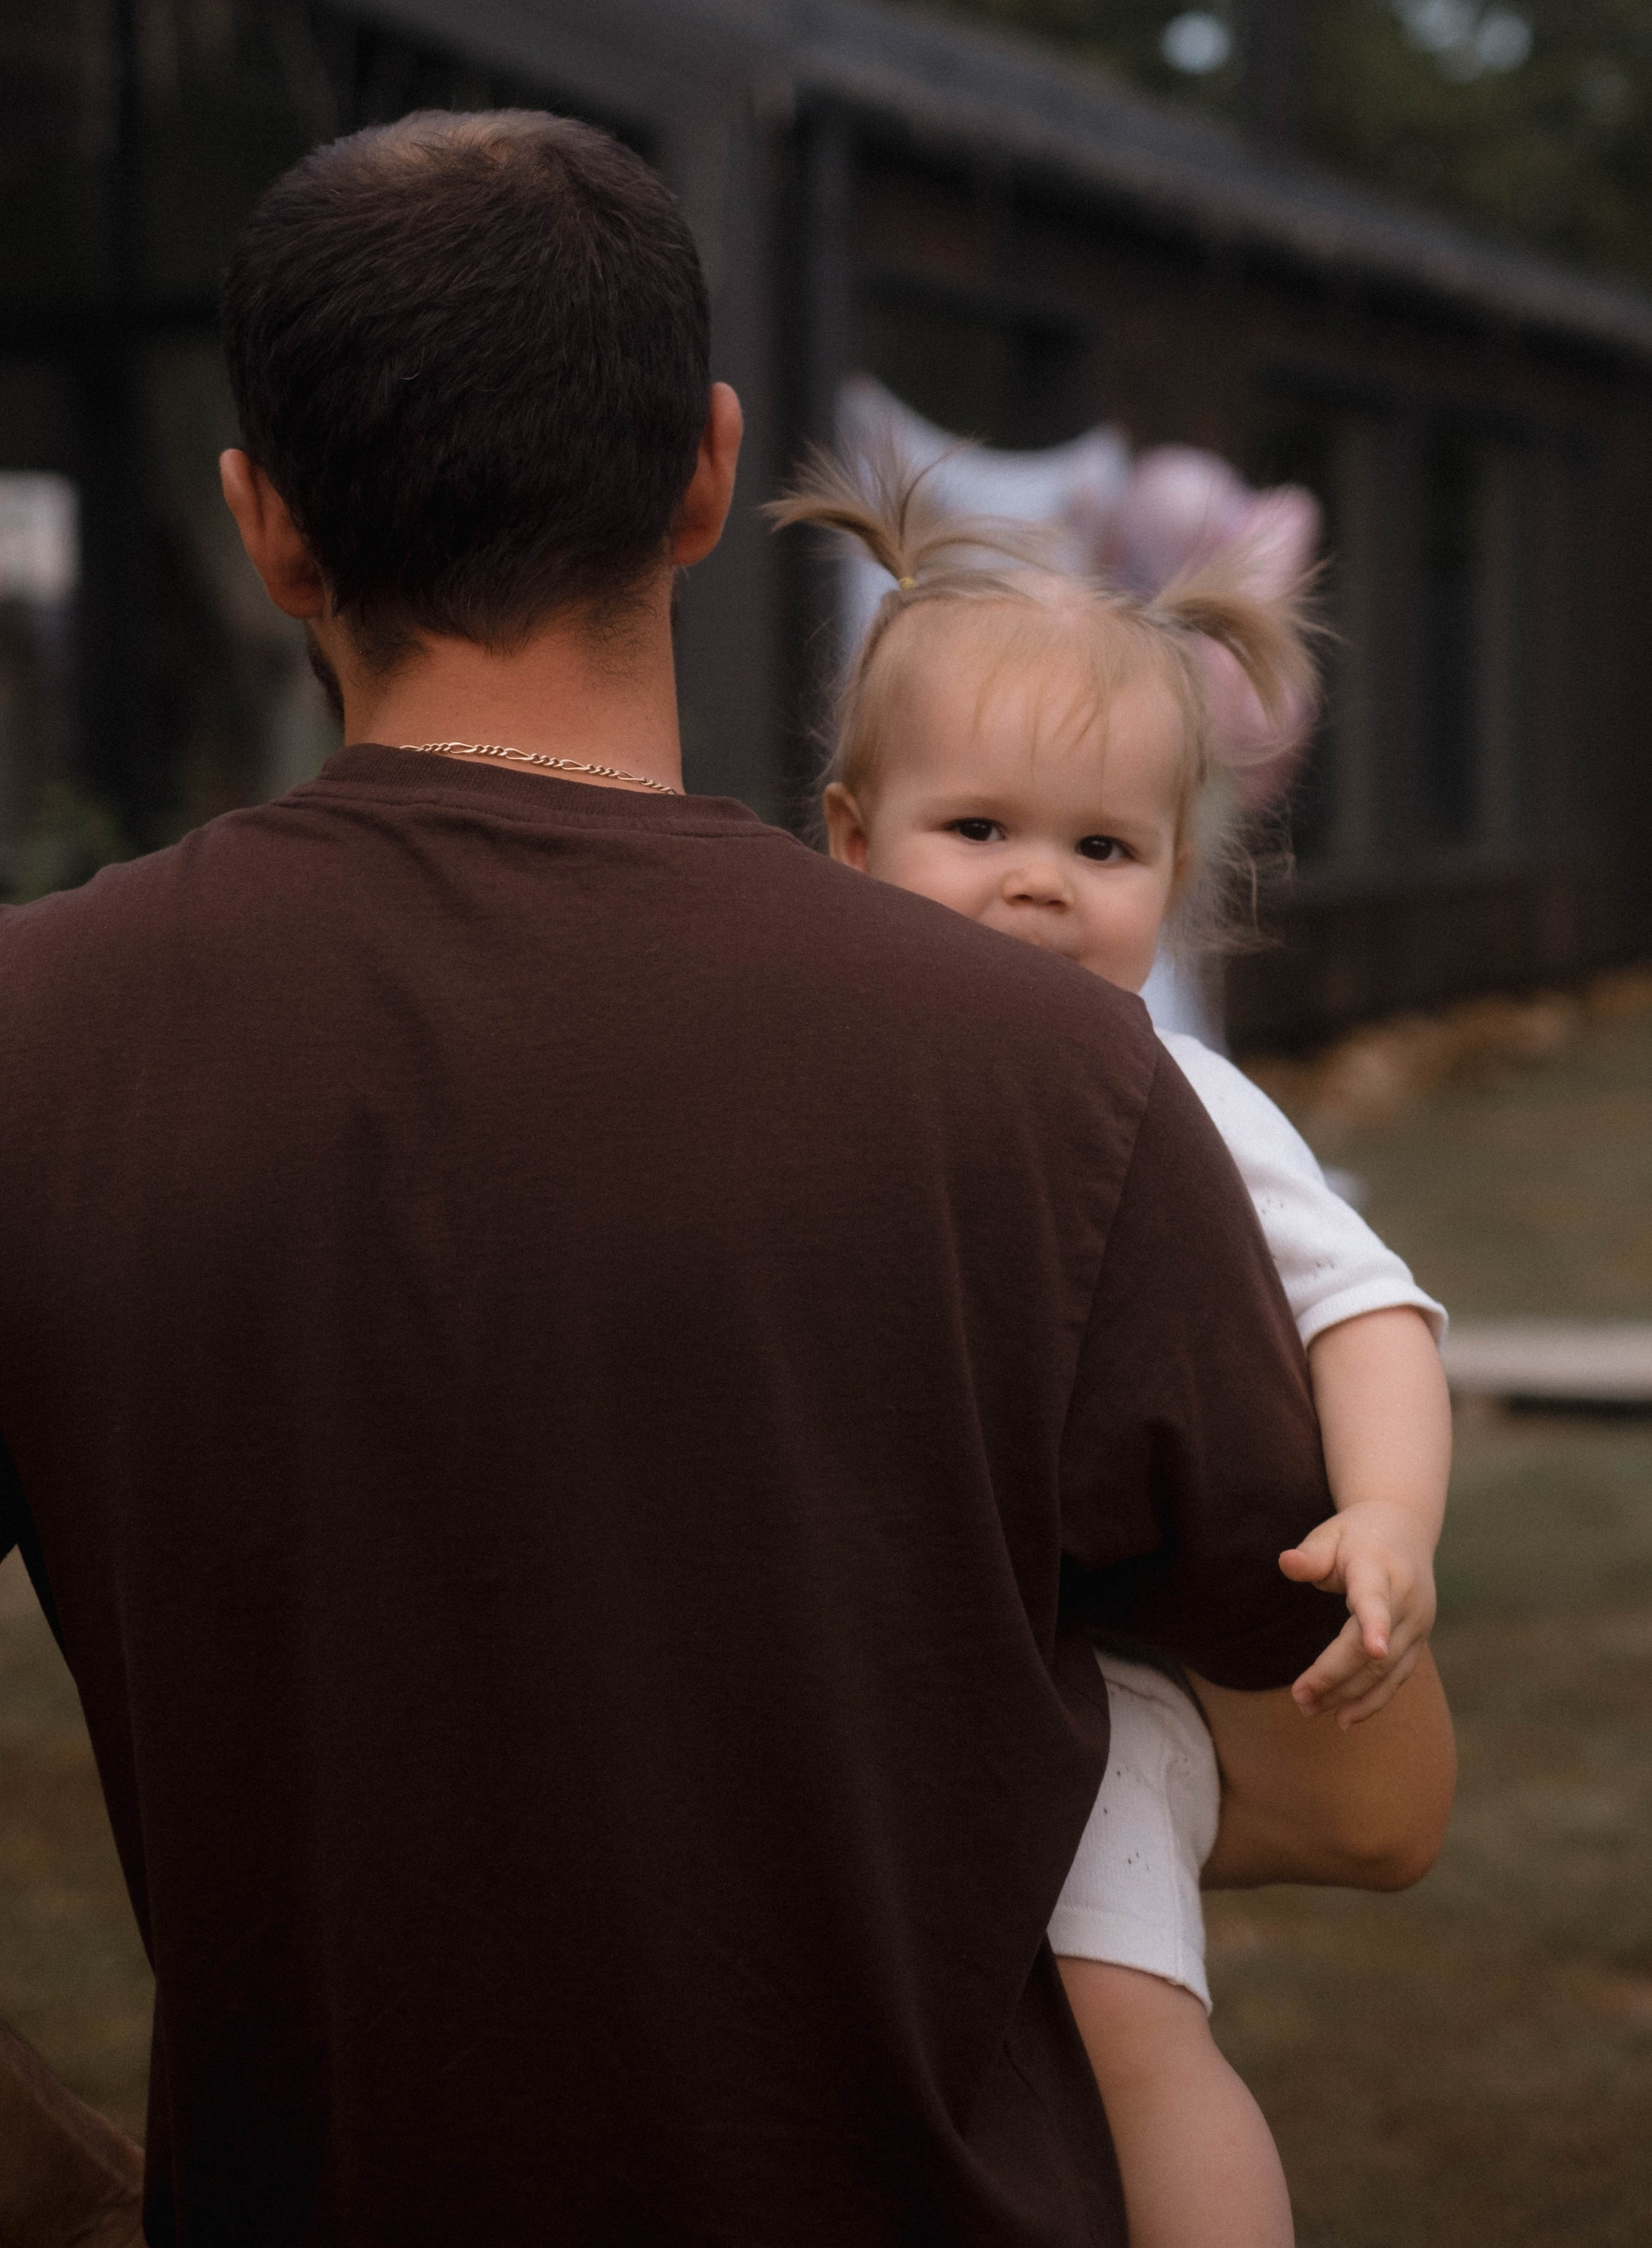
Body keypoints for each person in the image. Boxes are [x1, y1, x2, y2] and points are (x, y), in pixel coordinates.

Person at [0, 110, 1455, 2248]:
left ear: (267, 527)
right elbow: (1373, 1791)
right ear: (706, 473)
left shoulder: (36, 1044)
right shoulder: (1052, 1081)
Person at [790, 449, 1455, 2248]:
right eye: (979, 831)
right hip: (902, 1662)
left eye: (1102, 850)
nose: (1038, 888)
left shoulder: (1168, 1095)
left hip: (1103, 1691)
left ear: (1175, 878)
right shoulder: (808, 1085)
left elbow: (1367, 1306)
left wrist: (1386, 1522)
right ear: (849, 840)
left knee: (1119, 2028)